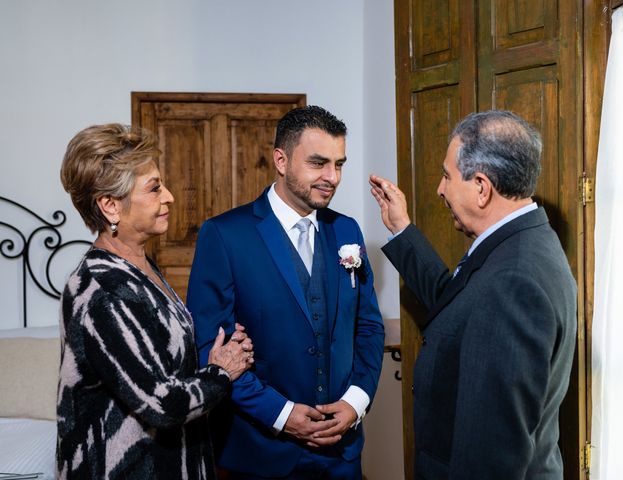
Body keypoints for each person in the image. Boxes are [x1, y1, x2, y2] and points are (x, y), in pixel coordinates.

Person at [369, 110, 577, 479]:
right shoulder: (524, 241)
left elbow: (490, 455)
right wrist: (402, 230)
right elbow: (458, 306)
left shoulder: (512, 281)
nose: (440, 188)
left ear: (481, 186)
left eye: (447, 176)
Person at [187, 105, 385, 479]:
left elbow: (369, 327)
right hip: (260, 454)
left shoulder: (347, 232)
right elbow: (207, 346)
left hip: (342, 453)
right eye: (318, 163)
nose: (332, 177)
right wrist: (281, 414)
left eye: (339, 164)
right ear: (281, 160)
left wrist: (355, 402)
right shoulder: (226, 235)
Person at [57, 123, 254, 479]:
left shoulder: (139, 265)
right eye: (154, 188)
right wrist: (222, 371)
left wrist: (213, 356)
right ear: (110, 206)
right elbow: (163, 404)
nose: (170, 197)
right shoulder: (102, 289)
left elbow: (158, 361)